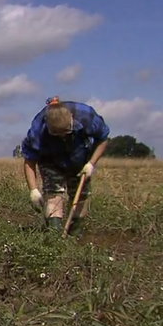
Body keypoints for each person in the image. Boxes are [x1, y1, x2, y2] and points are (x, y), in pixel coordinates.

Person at [21, 96, 110, 236]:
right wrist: (33, 190)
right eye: (57, 135)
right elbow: (29, 160)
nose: (62, 137)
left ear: (72, 119)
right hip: (50, 159)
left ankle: (75, 234)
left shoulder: (87, 117)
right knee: (53, 194)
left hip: (80, 158)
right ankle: (54, 236)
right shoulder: (37, 129)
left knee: (81, 196)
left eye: (66, 133)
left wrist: (91, 164)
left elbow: (103, 139)